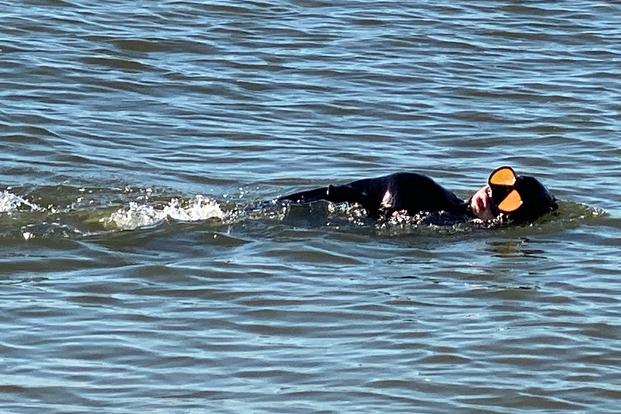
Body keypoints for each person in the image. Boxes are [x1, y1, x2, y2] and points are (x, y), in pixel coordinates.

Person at [279, 166, 557, 223]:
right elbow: (335, 195)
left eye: (506, 201)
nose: (490, 193)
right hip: (306, 212)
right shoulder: (420, 189)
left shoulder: (454, 230)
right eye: (498, 183)